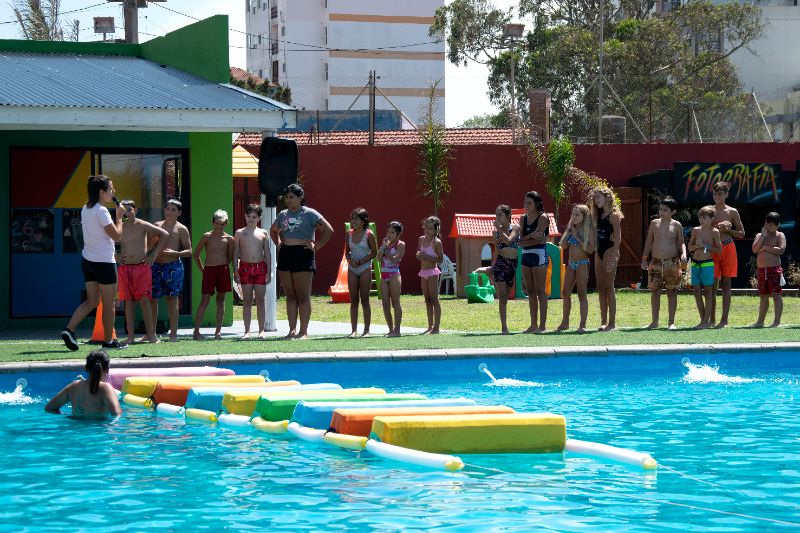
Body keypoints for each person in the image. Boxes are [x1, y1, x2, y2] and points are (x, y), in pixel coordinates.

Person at [60, 175, 127, 351]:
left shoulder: (86, 208)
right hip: (104, 263)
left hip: (88, 261)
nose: (114, 191)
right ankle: (109, 341)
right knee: (109, 304)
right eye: (111, 189)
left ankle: (69, 329)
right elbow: (117, 236)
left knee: (92, 301)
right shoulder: (102, 211)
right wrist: (119, 217)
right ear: (102, 192)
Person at [270, 183, 334, 339]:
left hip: (303, 254)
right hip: (285, 254)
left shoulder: (309, 213)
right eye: (286, 197)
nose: (288, 200)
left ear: (301, 198)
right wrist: (278, 244)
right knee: (290, 295)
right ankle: (291, 330)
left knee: (303, 295)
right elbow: (273, 230)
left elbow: (328, 230)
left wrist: (316, 247)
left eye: (291, 197)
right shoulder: (282, 214)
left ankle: (303, 331)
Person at [117, 200, 168, 345]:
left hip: (141, 267)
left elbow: (164, 234)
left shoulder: (142, 224)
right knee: (128, 302)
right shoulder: (119, 227)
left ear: (136, 210)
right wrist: (115, 255)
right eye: (124, 210)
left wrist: (154, 254)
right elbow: (107, 240)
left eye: (129, 210)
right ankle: (130, 337)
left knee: (145, 301)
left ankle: (152, 336)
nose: (127, 213)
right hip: (125, 268)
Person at [149, 199, 192, 342]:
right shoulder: (157, 225)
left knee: (172, 300)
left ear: (179, 213)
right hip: (156, 266)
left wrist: (175, 253)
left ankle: (173, 334)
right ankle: (151, 333)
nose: (169, 211)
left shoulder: (181, 229)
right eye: (167, 208)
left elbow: (189, 251)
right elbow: (147, 246)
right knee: (152, 299)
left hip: (173, 266)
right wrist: (152, 242)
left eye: (173, 209)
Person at [641, 196, 686, 330]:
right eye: (660, 209)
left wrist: (684, 253)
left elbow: (681, 242)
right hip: (655, 261)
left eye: (665, 210)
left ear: (673, 211)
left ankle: (671, 322)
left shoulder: (677, 225)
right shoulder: (654, 223)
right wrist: (644, 258)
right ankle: (654, 322)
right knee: (655, 292)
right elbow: (649, 241)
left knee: (671, 292)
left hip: (672, 261)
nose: (661, 212)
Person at [193, 210, 234, 340]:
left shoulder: (229, 239)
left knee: (221, 300)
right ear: (213, 223)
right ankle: (196, 332)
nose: (219, 226)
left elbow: (230, 257)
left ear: (226, 224)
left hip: (223, 270)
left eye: (222, 224)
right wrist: (203, 269)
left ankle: (218, 332)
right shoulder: (206, 236)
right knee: (204, 300)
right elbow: (196, 254)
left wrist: (224, 268)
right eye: (217, 223)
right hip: (209, 270)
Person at [710, 181, 745, 329]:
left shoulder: (732, 211)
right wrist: (716, 227)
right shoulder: (709, 210)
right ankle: (711, 319)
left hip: (728, 247)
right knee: (712, 285)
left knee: (726, 285)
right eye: (715, 193)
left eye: (720, 194)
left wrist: (727, 230)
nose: (717, 196)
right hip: (713, 249)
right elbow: (702, 230)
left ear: (726, 194)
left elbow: (742, 233)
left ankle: (724, 320)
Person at [44, 350, 121, 418]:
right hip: (98, 429)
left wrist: (67, 417)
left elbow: (49, 408)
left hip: (75, 428)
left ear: (86, 368)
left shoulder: (73, 386)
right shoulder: (106, 388)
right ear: (107, 369)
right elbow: (117, 415)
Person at [233, 204, 272, 340]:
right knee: (247, 300)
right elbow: (235, 253)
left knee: (260, 300)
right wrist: (235, 271)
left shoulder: (263, 233)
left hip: (260, 268)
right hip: (245, 268)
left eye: (254, 217)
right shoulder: (239, 233)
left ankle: (261, 331)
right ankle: (247, 331)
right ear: (245, 216)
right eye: (248, 216)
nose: (251, 219)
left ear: (259, 218)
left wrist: (269, 271)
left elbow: (267, 252)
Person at [589, 186, 624, 331]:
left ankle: (612, 323)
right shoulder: (598, 214)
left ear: (607, 197)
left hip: (610, 251)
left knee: (609, 286)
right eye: (594, 198)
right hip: (599, 252)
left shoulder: (614, 215)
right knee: (601, 286)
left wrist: (613, 258)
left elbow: (618, 239)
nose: (595, 200)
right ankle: (603, 321)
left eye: (598, 197)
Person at [557, 204, 596, 332]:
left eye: (577, 215)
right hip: (571, 263)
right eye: (573, 214)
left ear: (584, 217)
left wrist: (578, 238)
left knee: (581, 293)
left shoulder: (588, 230)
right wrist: (568, 234)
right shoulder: (571, 228)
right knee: (565, 292)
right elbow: (563, 246)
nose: (574, 217)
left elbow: (590, 250)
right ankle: (565, 323)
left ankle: (582, 325)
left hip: (582, 263)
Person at [519, 191, 550, 333]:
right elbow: (519, 242)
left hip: (539, 254)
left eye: (529, 203)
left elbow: (540, 241)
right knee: (530, 291)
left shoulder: (543, 217)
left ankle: (542, 326)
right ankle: (533, 325)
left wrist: (526, 239)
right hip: (526, 255)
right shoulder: (523, 218)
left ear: (537, 204)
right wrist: (530, 236)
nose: (526, 205)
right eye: (525, 202)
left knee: (540, 290)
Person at [687, 205, 722, 329]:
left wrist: (705, 246)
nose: (701, 220)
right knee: (696, 292)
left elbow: (719, 250)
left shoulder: (715, 232)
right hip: (695, 263)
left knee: (708, 292)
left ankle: (707, 321)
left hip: (707, 264)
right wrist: (696, 246)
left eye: (704, 217)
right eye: (700, 217)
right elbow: (690, 247)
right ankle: (703, 321)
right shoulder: (696, 230)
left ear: (711, 218)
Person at [750, 212, 786, 328]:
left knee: (776, 294)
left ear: (777, 225)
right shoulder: (759, 235)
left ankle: (777, 322)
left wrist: (765, 247)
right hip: (761, 270)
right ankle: (760, 321)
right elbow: (755, 249)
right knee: (763, 296)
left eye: (771, 225)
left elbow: (781, 250)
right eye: (766, 224)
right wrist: (762, 237)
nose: (768, 227)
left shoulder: (780, 235)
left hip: (774, 270)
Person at [346, 208, 378, 337]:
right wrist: (350, 260)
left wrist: (361, 261)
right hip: (352, 269)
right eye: (352, 218)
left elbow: (374, 252)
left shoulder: (369, 234)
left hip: (365, 268)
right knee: (353, 300)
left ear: (364, 221)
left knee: (365, 300)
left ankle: (366, 330)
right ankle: (353, 330)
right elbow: (347, 252)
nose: (353, 221)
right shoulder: (348, 234)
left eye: (356, 219)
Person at [490, 205, 520, 335]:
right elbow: (497, 251)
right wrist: (493, 266)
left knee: (506, 298)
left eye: (500, 215)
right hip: (501, 264)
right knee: (502, 298)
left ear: (508, 216)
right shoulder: (495, 232)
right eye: (496, 215)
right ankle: (504, 327)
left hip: (512, 264)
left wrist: (499, 230)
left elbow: (509, 241)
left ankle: (491, 277)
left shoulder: (516, 228)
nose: (497, 217)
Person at [377, 221, 405, 337]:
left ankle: (397, 330)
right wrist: (383, 247)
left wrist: (386, 252)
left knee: (395, 303)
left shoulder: (401, 244)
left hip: (394, 275)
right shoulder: (385, 244)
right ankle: (390, 329)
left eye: (392, 232)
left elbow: (395, 260)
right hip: (384, 275)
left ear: (398, 233)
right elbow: (378, 259)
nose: (389, 234)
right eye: (388, 231)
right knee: (385, 303)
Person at [417, 216, 444, 335]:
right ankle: (430, 326)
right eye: (426, 228)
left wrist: (425, 256)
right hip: (423, 272)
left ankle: (436, 327)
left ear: (436, 230)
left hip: (432, 272)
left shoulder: (437, 242)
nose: (427, 230)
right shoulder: (421, 239)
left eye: (430, 228)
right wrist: (418, 255)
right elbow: (419, 253)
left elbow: (440, 259)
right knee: (427, 299)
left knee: (434, 299)